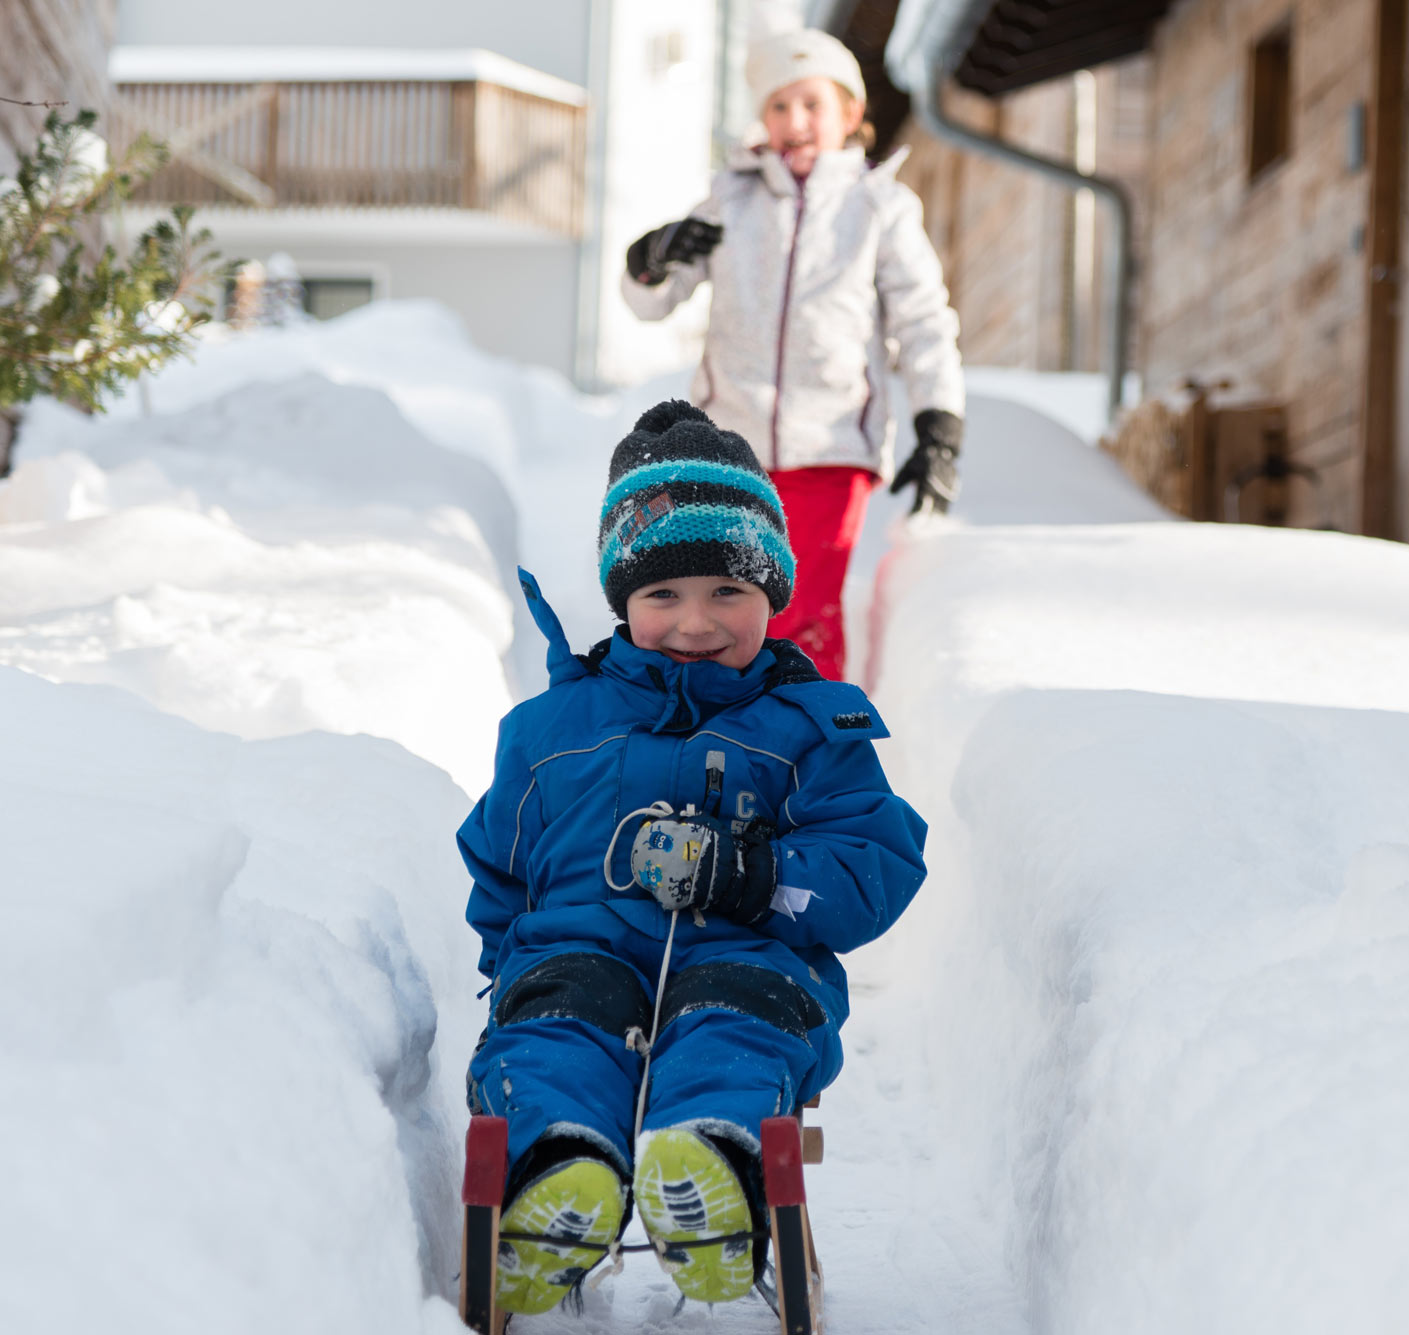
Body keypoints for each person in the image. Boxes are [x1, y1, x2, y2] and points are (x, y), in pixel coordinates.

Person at [460, 401, 927, 1314]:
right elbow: (497, 863)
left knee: (733, 1030)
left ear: (773, 592)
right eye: (662, 595)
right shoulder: (550, 730)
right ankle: (557, 1172)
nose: (695, 621)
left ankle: (711, 1168)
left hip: (742, 958)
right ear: (622, 601)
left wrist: (758, 878)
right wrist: (513, 963)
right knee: (558, 1032)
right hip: (577, 951)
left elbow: (874, 859)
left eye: (727, 591)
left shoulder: (810, 728)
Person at [621, 27, 966, 682]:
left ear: (851, 114)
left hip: (832, 449)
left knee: (799, 610)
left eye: (812, 104)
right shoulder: (732, 200)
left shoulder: (879, 208)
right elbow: (654, 301)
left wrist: (939, 427)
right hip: (730, 450)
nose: (794, 121)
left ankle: (806, 754)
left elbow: (924, 323)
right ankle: (715, 747)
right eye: (778, 106)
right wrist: (650, 257)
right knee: (716, 609)